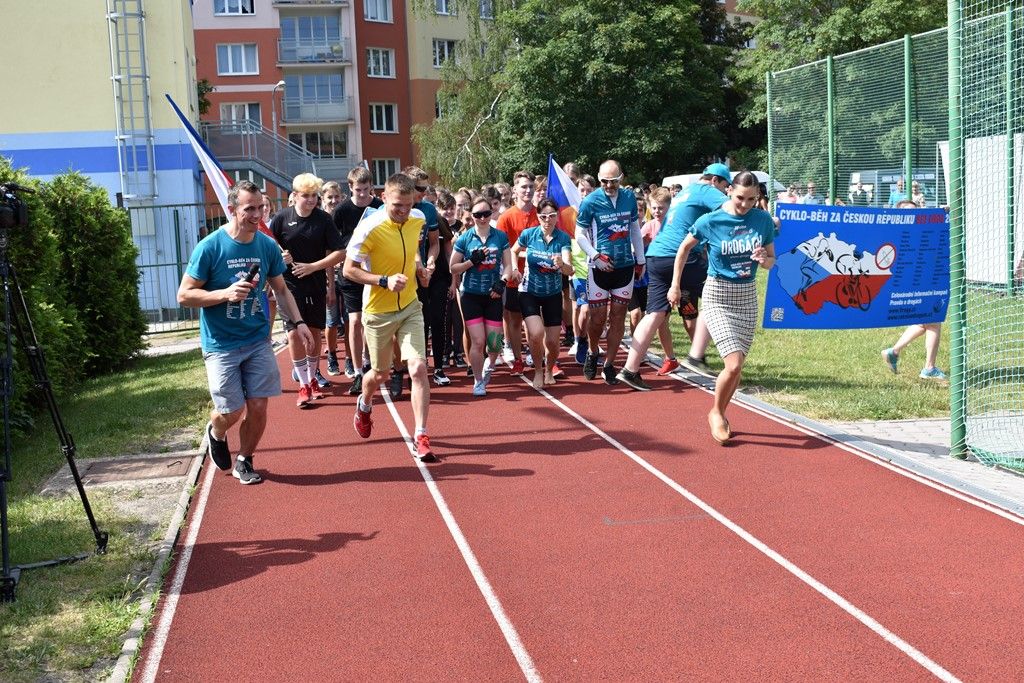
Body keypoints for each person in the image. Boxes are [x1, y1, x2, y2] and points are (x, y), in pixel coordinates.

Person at [178, 180, 315, 485]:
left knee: (258, 404)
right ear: (232, 210)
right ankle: (216, 429)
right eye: (249, 208)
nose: (257, 215)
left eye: (261, 208)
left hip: (256, 339)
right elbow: (184, 295)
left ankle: (245, 459)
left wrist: (300, 322)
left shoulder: (266, 245)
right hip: (221, 343)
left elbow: (281, 289)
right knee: (232, 409)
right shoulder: (210, 246)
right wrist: (224, 294)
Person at [667, 171, 776, 444]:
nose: (745, 205)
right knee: (734, 362)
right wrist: (675, 286)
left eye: (752, 199)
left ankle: (722, 412)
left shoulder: (762, 220)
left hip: (747, 296)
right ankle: (715, 412)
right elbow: (683, 250)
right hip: (717, 294)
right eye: (740, 198)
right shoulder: (710, 220)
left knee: (736, 368)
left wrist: (763, 259)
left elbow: (771, 259)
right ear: (729, 192)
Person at [344, 173, 437, 462]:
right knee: (380, 374)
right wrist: (382, 281)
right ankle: (365, 402)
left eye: (408, 206)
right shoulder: (368, 228)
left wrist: (421, 268)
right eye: (397, 206)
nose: (403, 212)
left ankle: (421, 434)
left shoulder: (418, 218)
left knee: (419, 368)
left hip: (410, 305)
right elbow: (348, 270)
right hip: (379, 311)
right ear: (383, 197)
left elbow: (413, 253)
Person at [617, 166, 731, 390]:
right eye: (725, 187)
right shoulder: (705, 190)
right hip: (680, 256)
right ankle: (696, 357)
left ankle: (630, 370)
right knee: (719, 290)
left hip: (657, 257)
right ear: (715, 180)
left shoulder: (685, 193)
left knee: (654, 314)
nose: (725, 192)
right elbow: (733, 209)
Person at [270, 173, 345, 408]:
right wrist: (280, 256)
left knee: (313, 333)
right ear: (294, 196)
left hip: (314, 283)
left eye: (314, 196)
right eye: (306, 196)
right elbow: (268, 244)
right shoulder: (282, 219)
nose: (311, 200)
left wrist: (313, 266)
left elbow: (339, 252)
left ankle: (312, 378)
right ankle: (303, 385)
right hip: (288, 285)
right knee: (293, 332)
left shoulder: (323, 220)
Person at [575, 159, 646, 384]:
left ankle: (609, 364)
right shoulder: (590, 201)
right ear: (599, 179)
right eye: (604, 181)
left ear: (621, 178)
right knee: (597, 319)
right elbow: (579, 234)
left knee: (617, 317)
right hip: (599, 268)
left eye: (613, 181)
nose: (608, 186)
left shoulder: (628, 198)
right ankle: (593, 351)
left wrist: (641, 259)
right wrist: (595, 256)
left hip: (624, 266)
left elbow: (634, 228)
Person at [450, 197, 513, 396]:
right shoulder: (465, 238)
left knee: (494, 343)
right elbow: (453, 267)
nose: (483, 218)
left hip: (493, 294)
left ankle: (489, 364)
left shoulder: (500, 236)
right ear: (472, 216)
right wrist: (471, 261)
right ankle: (478, 381)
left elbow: (509, 264)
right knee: (478, 341)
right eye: (478, 215)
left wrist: (503, 281)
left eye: (486, 214)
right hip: (471, 295)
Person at [882, 199, 947, 380]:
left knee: (924, 323)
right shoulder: (900, 231)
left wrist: (942, 212)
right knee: (933, 321)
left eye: (916, 210)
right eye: (909, 211)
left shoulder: (919, 228)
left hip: (925, 278)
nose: (914, 214)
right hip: (916, 281)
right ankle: (929, 368)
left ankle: (893, 352)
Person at [512, 198, 573, 388]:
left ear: (557, 217)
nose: (547, 220)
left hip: (553, 293)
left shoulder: (562, 238)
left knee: (553, 342)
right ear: (538, 217)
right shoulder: (529, 234)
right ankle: (538, 370)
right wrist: (515, 269)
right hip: (529, 291)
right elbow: (513, 251)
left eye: (552, 216)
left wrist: (562, 264)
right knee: (536, 333)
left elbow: (570, 270)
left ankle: (549, 369)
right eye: (543, 216)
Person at [332, 166, 383, 395]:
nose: (362, 194)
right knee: (354, 321)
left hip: (374, 272)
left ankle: (373, 362)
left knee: (372, 321)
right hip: (351, 272)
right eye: (358, 190)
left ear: (371, 186)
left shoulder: (379, 207)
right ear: (350, 187)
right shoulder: (341, 210)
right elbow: (333, 242)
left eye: (365, 189)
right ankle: (357, 369)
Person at [495, 171, 536, 375]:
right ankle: (518, 359)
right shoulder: (506, 217)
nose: (528, 190)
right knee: (515, 319)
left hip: (539, 277)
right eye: (523, 187)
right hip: (515, 277)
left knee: (538, 320)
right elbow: (504, 249)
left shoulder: (541, 215)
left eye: (530, 186)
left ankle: (542, 357)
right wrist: (511, 269)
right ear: (515, 190)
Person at [320, 181, 348, 380]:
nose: (333, 201)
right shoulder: (320, 220)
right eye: (329, 197)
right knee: (331, 319)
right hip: (326, 277)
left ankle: (349, 358)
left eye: (336, 197)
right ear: (323, 199)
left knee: (348, 319)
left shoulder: (344, 217)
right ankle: (331, 355)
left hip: (346, 275)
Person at [569, 174, 596, 365]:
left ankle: (589, 342)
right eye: (581, 190)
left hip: (596, 268)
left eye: (588, 190)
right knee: (584, 308)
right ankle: (581, 340)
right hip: (577, 270)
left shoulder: (597, 210)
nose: (585, 193)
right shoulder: (569, 213)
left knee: (595, 312)